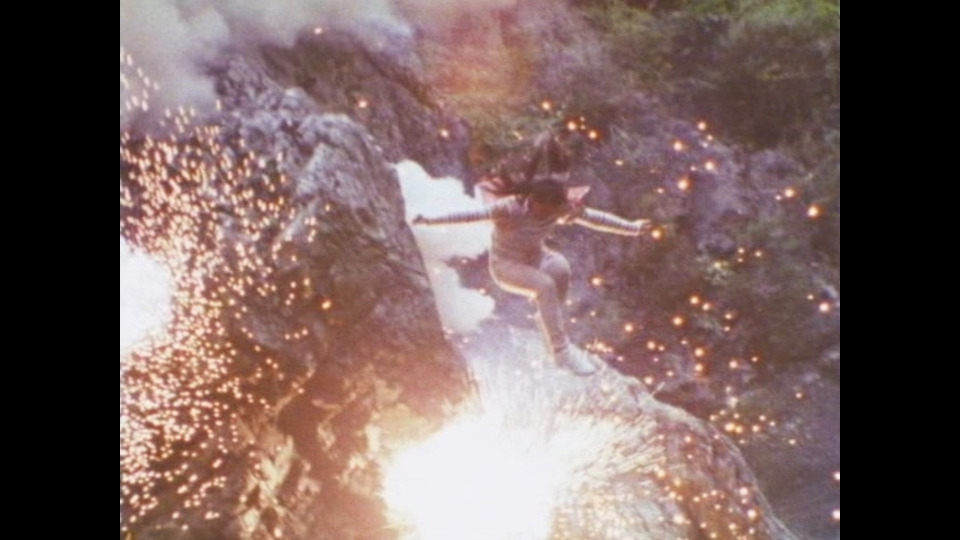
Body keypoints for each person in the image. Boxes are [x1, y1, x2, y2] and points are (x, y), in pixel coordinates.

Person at [413, 174, 651, 376]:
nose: (546, 215)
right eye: (542, 210)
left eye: (551, 211)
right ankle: (561, 352)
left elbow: (595, 219)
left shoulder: (560, 207)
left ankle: (547, 323)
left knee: (560, 267)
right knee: (544, 285)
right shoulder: (509, 208)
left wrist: (633, 228)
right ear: (533, 200)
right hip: (506, 265)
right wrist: (430, 220)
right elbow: (471, 215)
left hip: (537, 256)